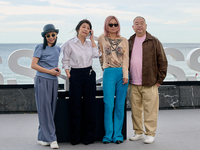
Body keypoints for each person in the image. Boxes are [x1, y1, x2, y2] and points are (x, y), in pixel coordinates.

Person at [61, 19, 101, 145]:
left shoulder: (90, 44)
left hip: (89, 74)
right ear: (78, 28)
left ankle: (88, 137)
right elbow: (65, 61)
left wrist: (93, 39)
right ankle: (75, 137)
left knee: (89, 105)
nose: (86, 29)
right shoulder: (70, 44)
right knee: (75, 106)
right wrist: (69, 75)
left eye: (88, 28)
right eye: (83, 27)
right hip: (76, 74)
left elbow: (97, 55)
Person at [128, 16, 168, 144]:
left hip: (150, 83)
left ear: (146, 26)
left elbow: (163, 62)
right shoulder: (129, 41)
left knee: (150, 110)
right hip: (133, 82)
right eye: (136, 24)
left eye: (141, 23)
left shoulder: (154, 41)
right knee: (135, 110)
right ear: (133, 27)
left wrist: (159, 81)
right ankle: (138, 132)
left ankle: (150, 133)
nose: (139, 26)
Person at [98, 15, 129, 144]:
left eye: (115, 24)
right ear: (106, 26)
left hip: (122, 72)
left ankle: (118, 135)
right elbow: (99, 55)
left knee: (120, 105)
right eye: (110, 24)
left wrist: (126, 74)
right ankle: (108, 135)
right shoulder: (101, 38)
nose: (113, 27)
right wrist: (104, 69)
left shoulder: (124, 40)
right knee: (108, 105)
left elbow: (126, 58)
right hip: (109, 72)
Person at [31, 24, 61, 149]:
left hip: (54, 81)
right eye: (48, 35)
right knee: (45, 110)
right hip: (42, 80)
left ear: (56, 35)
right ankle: (52, 139)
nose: (51, 37)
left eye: (53, 35)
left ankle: (41, 137)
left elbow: (53, 64)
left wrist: (57, 70)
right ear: (45, 36)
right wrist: (49, 71)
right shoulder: (40, 47)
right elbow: (33, 65)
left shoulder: (58, 49)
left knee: (51, 109)